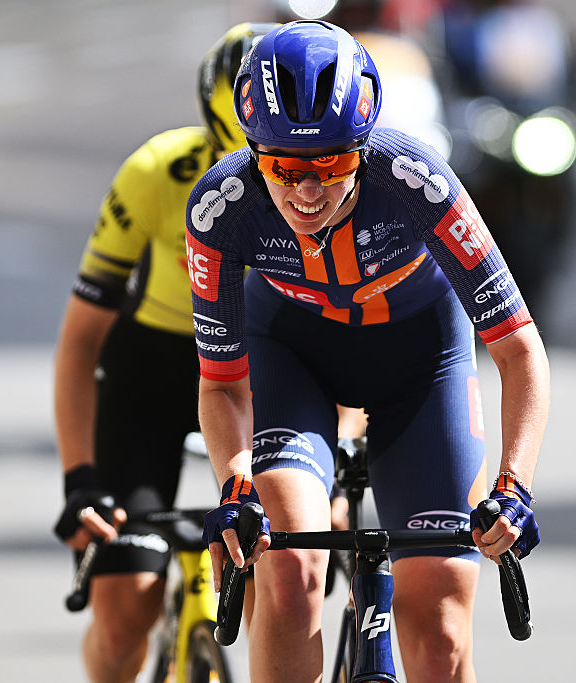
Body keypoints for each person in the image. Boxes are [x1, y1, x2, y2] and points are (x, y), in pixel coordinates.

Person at [188, 20, 549, 683]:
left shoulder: (416, 184)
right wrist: (236, 484)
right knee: (290, 572)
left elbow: (520, 348)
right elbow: (221, 386)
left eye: (329, 165)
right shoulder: (221, 209)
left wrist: (514, 484)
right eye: (285, 169)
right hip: (293, 362)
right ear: (253, 152)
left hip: (421, 366)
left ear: (362, 147)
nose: (306, 193)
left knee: (439, 630)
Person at [50, 23, 279, 683]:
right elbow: (81, 342)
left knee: (276, 583)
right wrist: (80, 481)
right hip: (148, 376)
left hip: (256, 375)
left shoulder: (315, 179)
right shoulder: (156, 173)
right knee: (124, 617)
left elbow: (341, 331)